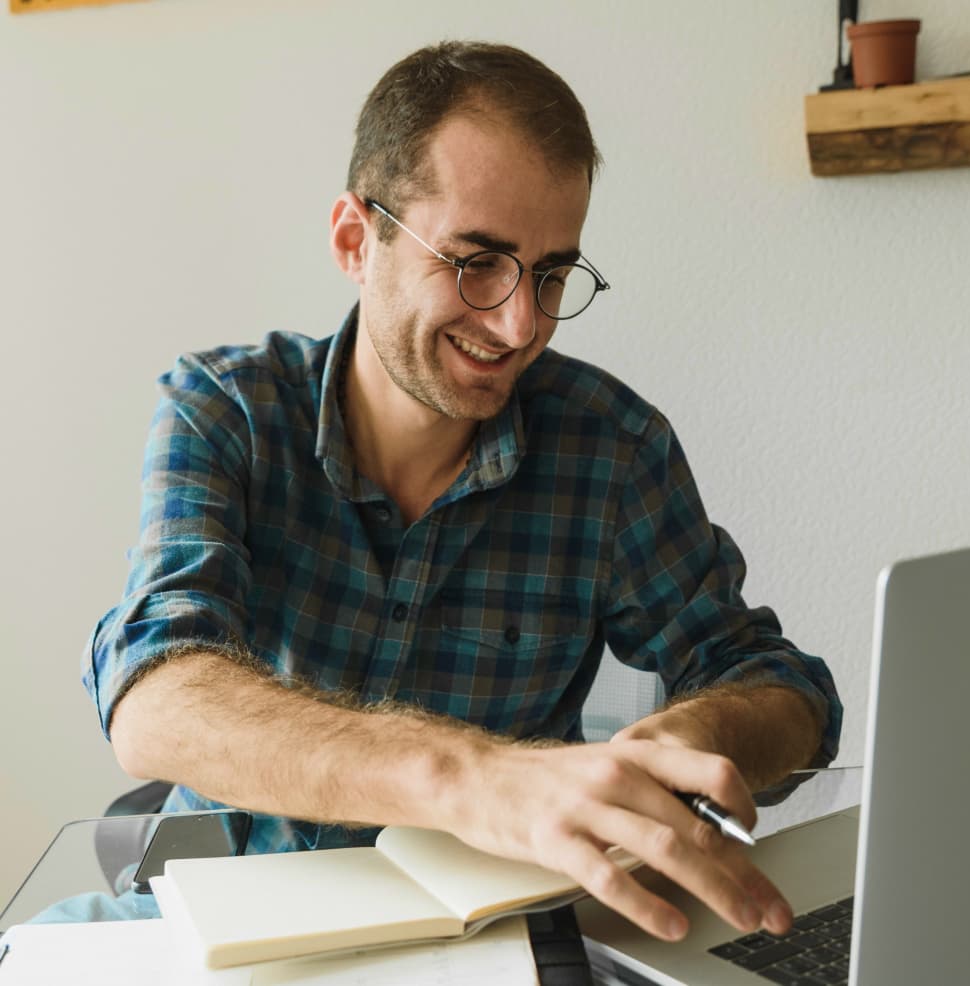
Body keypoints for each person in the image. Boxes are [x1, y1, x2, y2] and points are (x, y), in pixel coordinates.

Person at [85, 41, 841, 944]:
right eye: (478, 261)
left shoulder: (611, 449)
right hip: (216, 917)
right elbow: (157, 699)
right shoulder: (226, 411)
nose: (519, 325)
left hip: (479, 946)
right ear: (356, 241)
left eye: (551, 274)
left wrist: (690, 738)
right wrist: (473, 779)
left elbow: (782, 685)